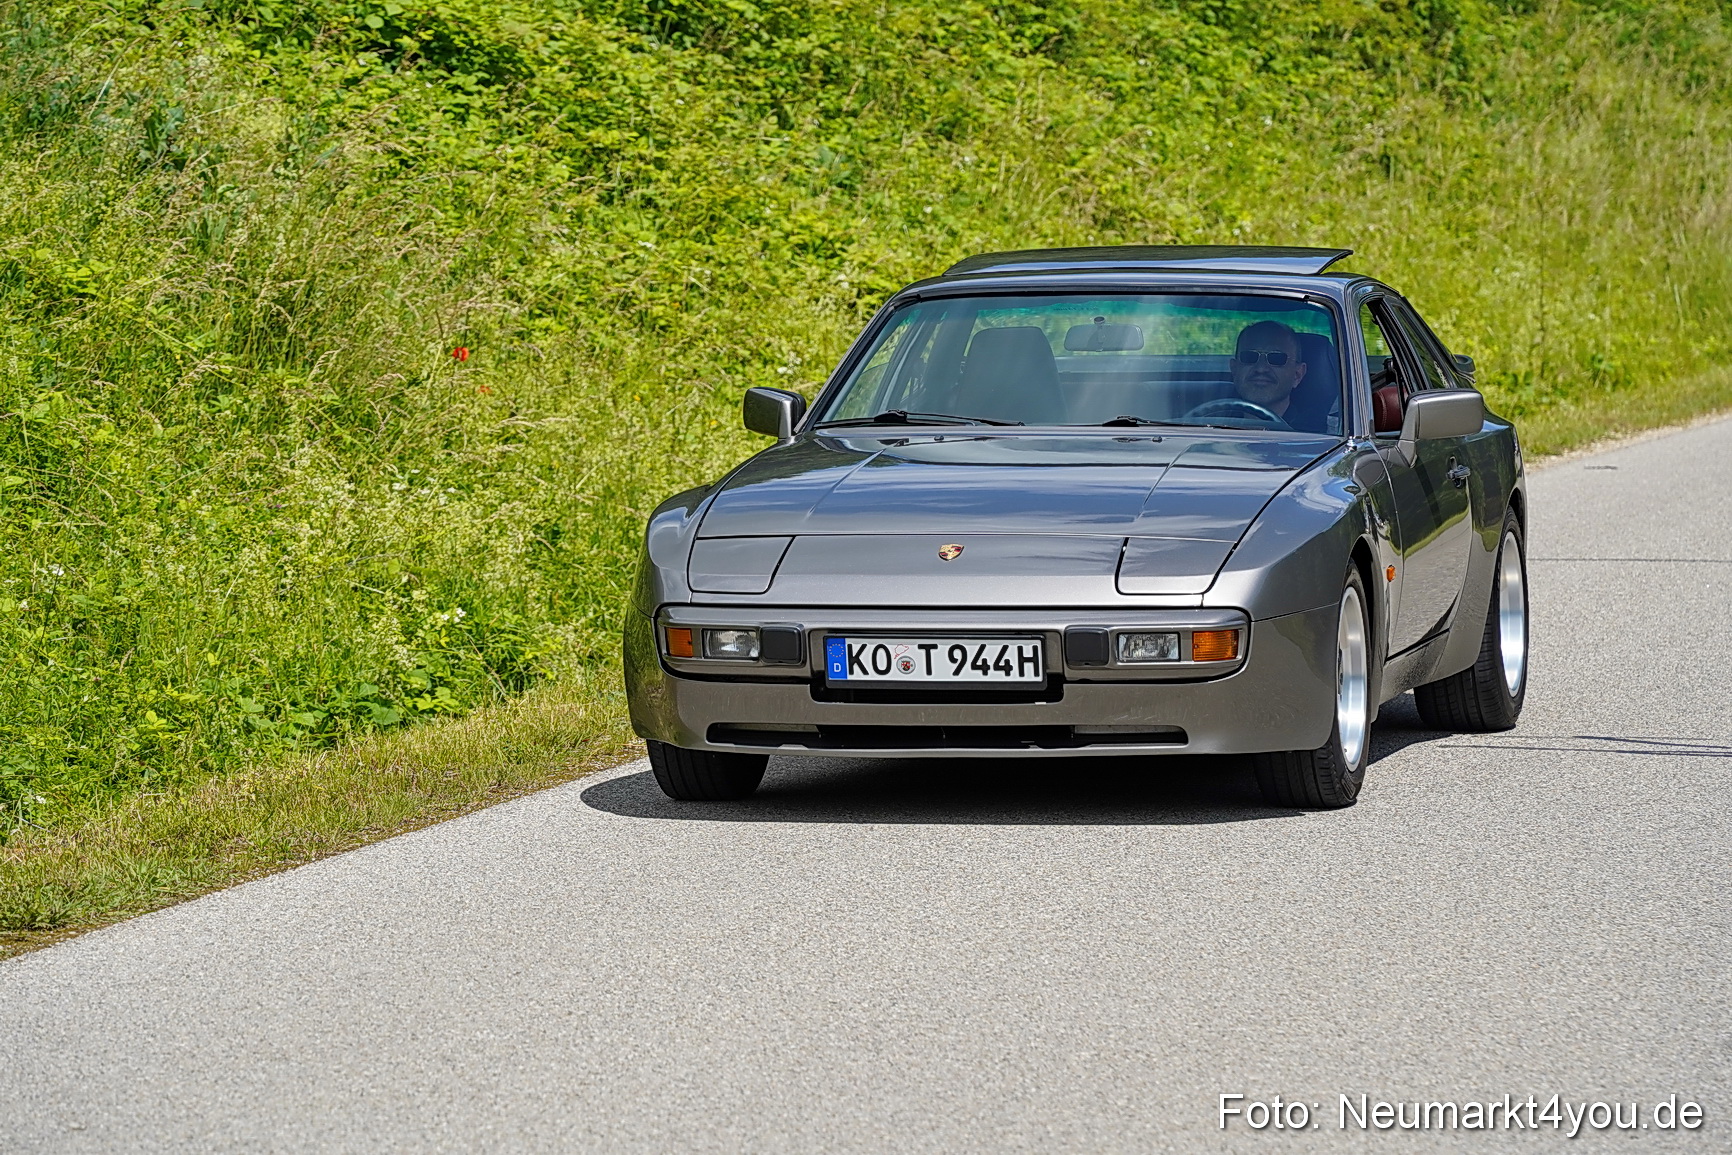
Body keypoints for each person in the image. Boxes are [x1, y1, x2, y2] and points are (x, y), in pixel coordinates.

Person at [1230, 320, 1307, 420]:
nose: (1261, 369)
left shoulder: (1314, 428)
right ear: (1234, 369)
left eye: (1276, 358)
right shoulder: (1214, 421)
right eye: (1249, 357)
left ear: (1297, 375)